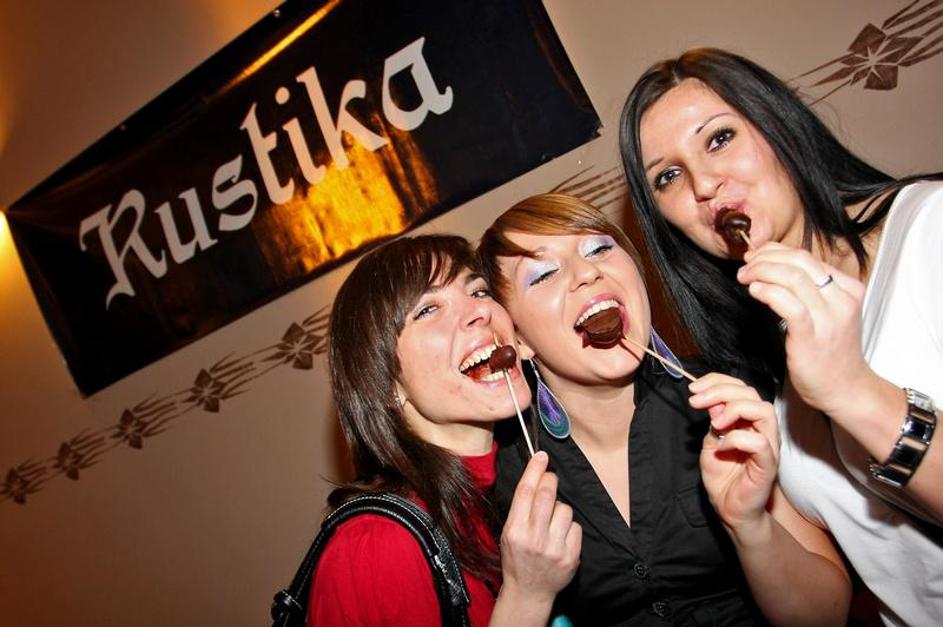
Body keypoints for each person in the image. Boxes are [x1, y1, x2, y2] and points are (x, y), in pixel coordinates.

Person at [619, 47, 943, 625]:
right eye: (668, 176)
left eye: (719, 138)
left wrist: (853, 392)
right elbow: (821, 614)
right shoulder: (753, 364)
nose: (704, 184)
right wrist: (749, 525)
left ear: (778, 126)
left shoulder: (929, 231)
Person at [477, 193, 850, 626]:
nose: (587, 273)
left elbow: (827, 616)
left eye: (598, 249)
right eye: (543, 274)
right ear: (518, 338)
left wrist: (749, 525)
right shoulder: (506, 474)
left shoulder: (728, 403)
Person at [309, 234, 581, 626]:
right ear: (385, 386)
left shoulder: (511, 486)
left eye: (479, 291)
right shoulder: (376, 547)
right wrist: (528, 596)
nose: (479, 311)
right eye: (427, 309)